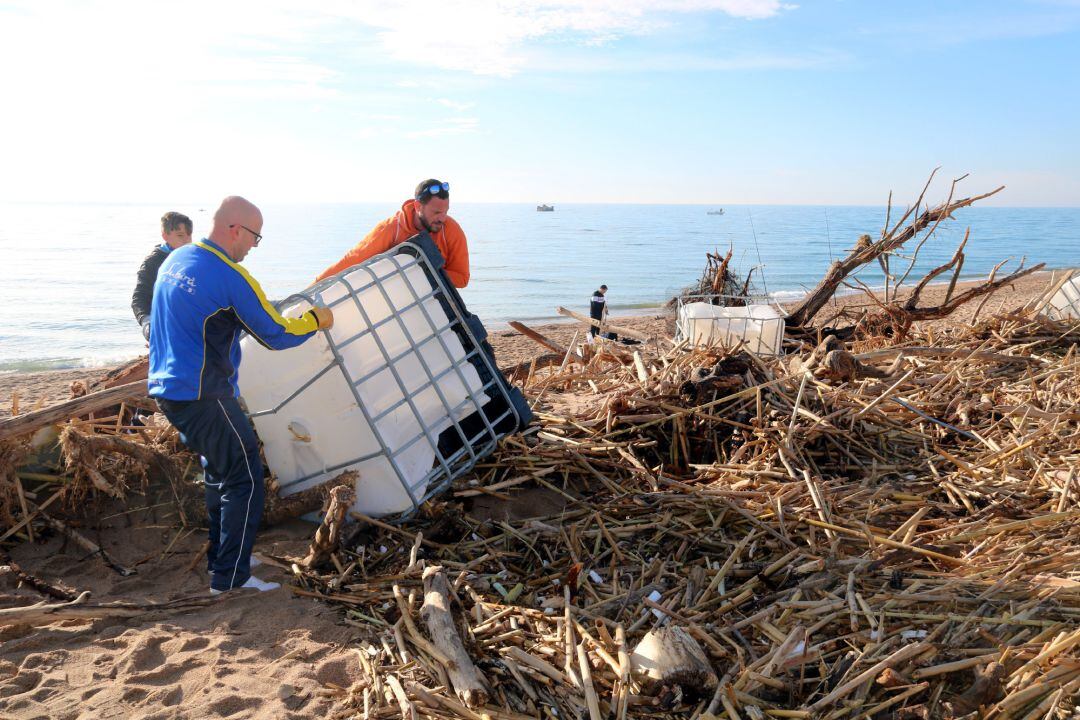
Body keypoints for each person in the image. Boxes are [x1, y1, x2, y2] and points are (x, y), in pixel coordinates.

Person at [148, 196, 334, 594]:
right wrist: (316, 320)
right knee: (246, 476)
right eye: (255, 237)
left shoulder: (175, 260)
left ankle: (227, 557)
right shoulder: (231, 276)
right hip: (204, 395)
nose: (253, 246)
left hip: (168, 390)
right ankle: (230, 579)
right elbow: (276, 332)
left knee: (220, 473)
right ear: (235, 229)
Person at [315, 179, 470, 288]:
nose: (442, 218)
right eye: (436, 212)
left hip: (434, 300)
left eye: (446, 211)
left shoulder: (451, 230)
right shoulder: (391, 229)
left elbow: (462, 278)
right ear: (418, 206)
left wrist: (424, 269)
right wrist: (313, 288)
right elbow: (352, 260)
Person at [131, 212, 193, 341]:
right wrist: (146, 323)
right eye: (180, 235)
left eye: (189, 235)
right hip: (162, 327)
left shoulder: (193, 259)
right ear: (165, 236)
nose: (187, 241)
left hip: (189, 327)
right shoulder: (153, 262)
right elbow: (139, 297)